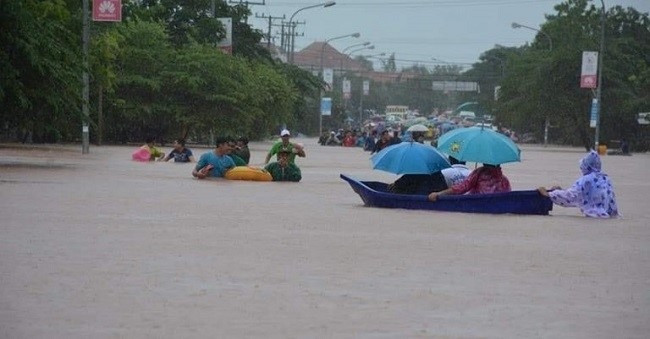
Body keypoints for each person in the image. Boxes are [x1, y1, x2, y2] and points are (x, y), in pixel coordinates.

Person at [538, 150, 618, 218]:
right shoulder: (605, 178)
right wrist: (560, 191)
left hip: (594, 217)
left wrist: (549, 194)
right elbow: (583, 196)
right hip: (610, 216)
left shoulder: (586, 180)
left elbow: (571, 197)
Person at [428, 164, 511, 201]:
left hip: (475, 203)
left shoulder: (479, 173)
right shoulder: (504, 179)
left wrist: (439, 194)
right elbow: (508, 197)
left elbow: (461, 188)